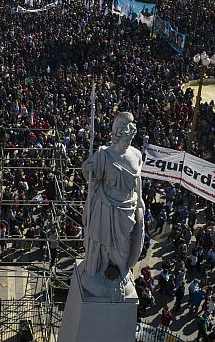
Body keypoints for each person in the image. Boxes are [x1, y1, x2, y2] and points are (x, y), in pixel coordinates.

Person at [81, 112, 145, 297]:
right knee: (102, 242)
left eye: (132, 132)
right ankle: (100, 269)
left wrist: (139, 199)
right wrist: (88, 168)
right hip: (105, 205)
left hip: (127, 206)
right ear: (119, 133)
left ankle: (121, 269)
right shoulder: (104, 155)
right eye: (128, 131)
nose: (131, 134)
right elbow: (87, 171)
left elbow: (137, 180)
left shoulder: (137, 154)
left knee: (123, 245)